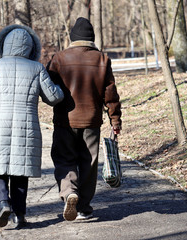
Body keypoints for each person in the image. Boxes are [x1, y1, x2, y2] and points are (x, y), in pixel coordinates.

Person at [0, 25, 64, 228]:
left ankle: (3, 202)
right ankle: (19, 214)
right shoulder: (37, 68)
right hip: (27, 126)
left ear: (3, 44)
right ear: (31, 47)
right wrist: (60, 86)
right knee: (20, 171)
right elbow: (54, 97)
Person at [46, 17, 122, 221]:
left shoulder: (58, 58)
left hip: (65, 120)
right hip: (91, 121)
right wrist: (115, 120)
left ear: (73, 38)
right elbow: (110, 94)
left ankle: (69, 191)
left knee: (64, 158)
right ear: (92, 38)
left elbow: (48, 89)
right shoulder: (102, 59)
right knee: (88, 162)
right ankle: (84, 207)